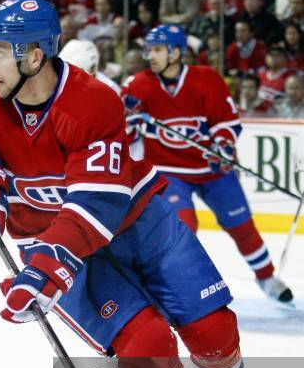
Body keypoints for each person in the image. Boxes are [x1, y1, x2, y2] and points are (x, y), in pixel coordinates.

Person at [0, 0, 282, 368]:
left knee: (214, 329)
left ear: (34, 56)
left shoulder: (92, 99)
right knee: (144, 346)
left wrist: (45, 269)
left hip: (138, 224)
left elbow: (95, 207)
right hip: (47, 237)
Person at [121, 24, 294, 303]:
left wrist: (223, 146)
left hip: (212, 170)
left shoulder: (206, 79)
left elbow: (226, 122)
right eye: (147, 49)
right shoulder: (137, 85)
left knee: (241, 225)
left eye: (156, 49)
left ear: (176, 52)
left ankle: (266, 277)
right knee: (182, 227)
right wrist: (130, 119)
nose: (148, 55)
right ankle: (182, 287)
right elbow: (123, 136)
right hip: (170, 172)